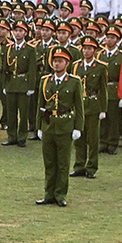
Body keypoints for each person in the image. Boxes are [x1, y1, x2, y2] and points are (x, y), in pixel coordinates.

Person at [35, 48, 83, 206]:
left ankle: (60, 194)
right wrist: (39, 127)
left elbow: (79, 107)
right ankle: (48, 193)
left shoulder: (74, 81)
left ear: (67, 63)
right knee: (49, 162)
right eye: (55, 61)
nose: (56, 63)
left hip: (65, 125)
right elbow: (40, 105)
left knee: (63, 163)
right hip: (48, 125)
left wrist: (78, 127)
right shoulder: (45, 80)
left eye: (60, 61)